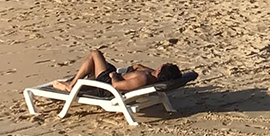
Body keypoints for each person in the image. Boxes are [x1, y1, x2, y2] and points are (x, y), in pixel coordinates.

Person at [52, 49, 181, 94]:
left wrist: (113, 75)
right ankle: (72, 82)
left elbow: (117, 86)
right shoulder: (153, 76)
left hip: (107, 83)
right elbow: (140, 67)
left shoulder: (144, 79)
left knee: (95, 54)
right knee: (100, 63)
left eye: (162, 66)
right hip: (111, 78)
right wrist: (139, 67)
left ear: (160, 71)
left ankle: (72, 84)